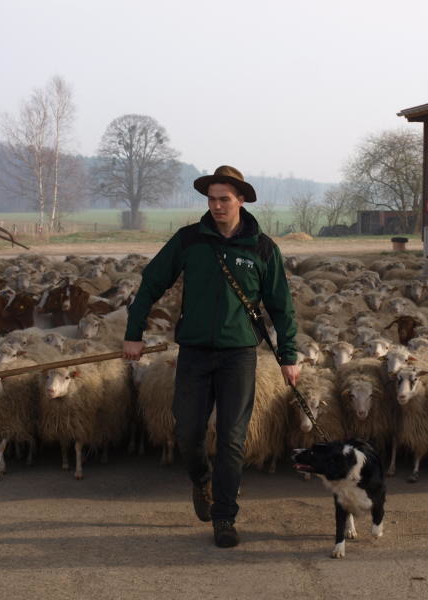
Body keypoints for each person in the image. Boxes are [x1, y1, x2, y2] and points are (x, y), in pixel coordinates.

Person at [122, 165, 299, 548]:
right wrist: (133, 333)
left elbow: (282, 307)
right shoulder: (189, 240)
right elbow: (152, 282)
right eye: (211, 199)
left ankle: (224, 516)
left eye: (224, 199)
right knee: (187, 431)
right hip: (196, 353)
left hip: (239, 355)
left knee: (234, 438)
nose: (217, 205)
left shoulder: (263, 248)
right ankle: (201, 480)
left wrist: (289, 355)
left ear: (241, 201)